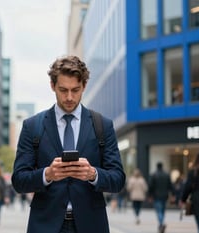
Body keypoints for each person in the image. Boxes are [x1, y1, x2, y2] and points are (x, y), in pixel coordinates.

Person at [11, 55, 126, 233]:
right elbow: (19, 181)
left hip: (91, 225)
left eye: (76, 90)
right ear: (52, 86)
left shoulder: (103, 125)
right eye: (63, 90)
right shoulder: (32, 126)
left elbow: (118, 179)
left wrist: (93, 174)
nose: (70, 97)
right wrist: (47, 175)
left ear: (84, 86)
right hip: (45, 225)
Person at [148, 162, 173, 233]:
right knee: (162, 210)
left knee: (158, 210)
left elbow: (151, 186)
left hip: (156, 196)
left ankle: (161, 223)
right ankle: (161, 223)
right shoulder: (166, 174)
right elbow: (170, 185)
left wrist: (150, 195)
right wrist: (173, 194)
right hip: (165, 195)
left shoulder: (154, 175)